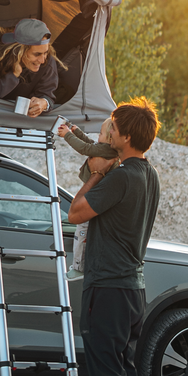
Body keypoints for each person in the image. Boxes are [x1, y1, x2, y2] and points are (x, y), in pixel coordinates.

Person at [66, 97, 161, 376]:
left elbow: (75, 212)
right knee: (124, 371)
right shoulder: (149, 175)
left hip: (107, 287)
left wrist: (95, 173)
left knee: (107, 374)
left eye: (114, 129)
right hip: (133, 290)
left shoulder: (121, 177)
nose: (109, 134)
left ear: (125, 137)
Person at [55, 117, 118, 280]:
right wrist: (76, 131)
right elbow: (91, 144)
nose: (98, 135)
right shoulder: (106, 149)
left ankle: (79, 267)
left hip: (92, 197)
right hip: (96, 196)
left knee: (82, 231)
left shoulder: (107, 151)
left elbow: (85, 148)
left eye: (101, 133)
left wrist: (67, 135)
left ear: (110, 138)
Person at [0, 18, 62, 118]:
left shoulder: (47, 61)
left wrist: (43, 103)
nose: (42, 60)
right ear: (19, 51)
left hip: (22, 119)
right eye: (37, 54)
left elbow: (47, 94)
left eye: (45, 52)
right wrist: (12, 75)